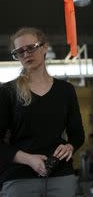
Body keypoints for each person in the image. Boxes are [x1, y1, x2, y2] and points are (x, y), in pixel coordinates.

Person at [0, 27, 85, 197]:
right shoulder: (7, 91)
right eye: (19, 52)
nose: (26, 54)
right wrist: (29, 159)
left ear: (45, 47)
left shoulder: (65, 90)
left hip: (60, 176)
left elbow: (77, 134)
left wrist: (70, 146)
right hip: (20, 178)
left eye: (31, 48)